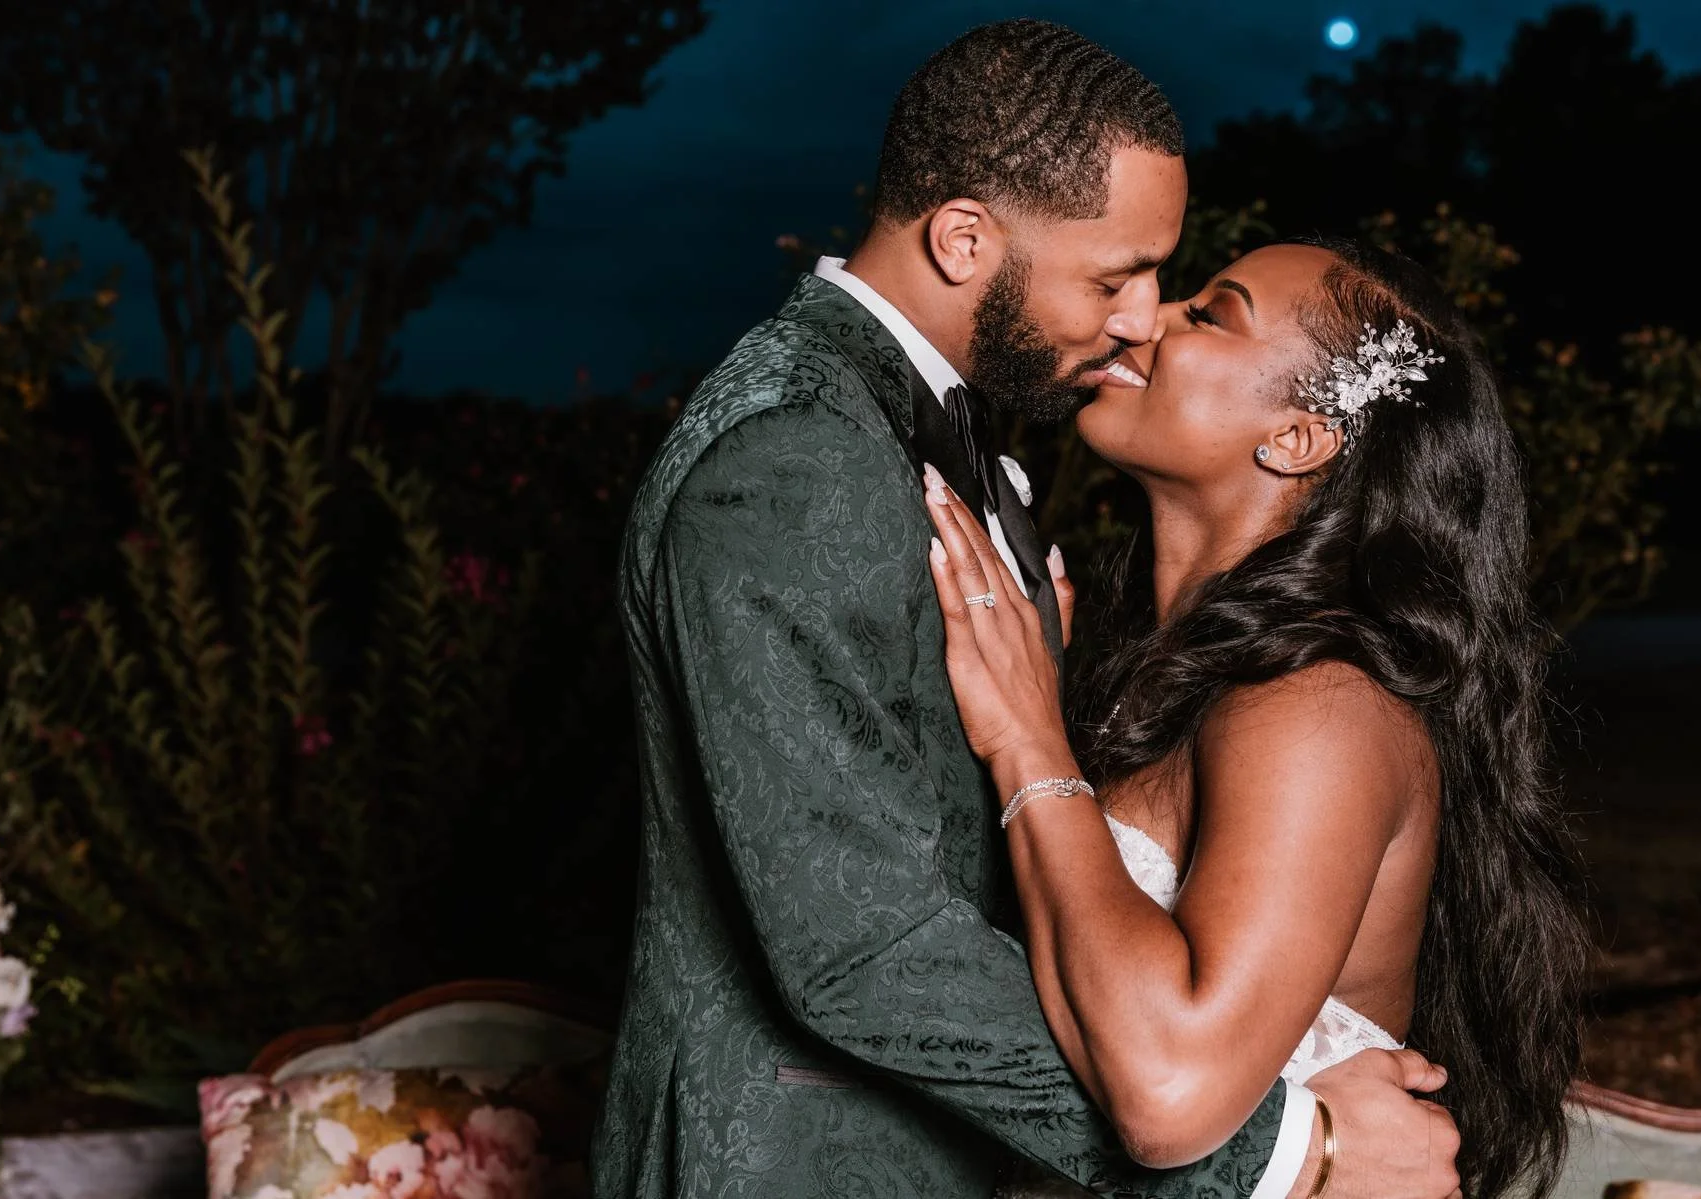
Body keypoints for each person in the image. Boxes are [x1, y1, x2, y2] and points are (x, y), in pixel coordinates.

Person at [594, 20, 1462, 1199]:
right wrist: (1292, 1147)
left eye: (1185, 292)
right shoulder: (796, 457)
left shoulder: (961, 456)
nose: (1144, 317)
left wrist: (1030, 730)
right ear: (964, 240)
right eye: (1116, 278)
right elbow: (863, 943)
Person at [923, 238, 1589, 1199]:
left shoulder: (1317, 706)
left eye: (1209, 313)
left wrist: (1024, 737)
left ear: (1299, 436)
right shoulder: (1154, 673)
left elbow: (1170, 1092)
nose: (1147, 317)